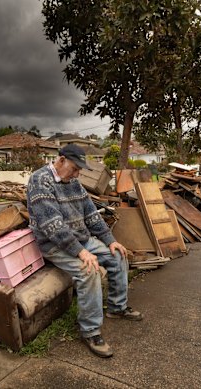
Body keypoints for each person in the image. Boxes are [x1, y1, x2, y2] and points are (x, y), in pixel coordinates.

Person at [26, 143, 142, 358]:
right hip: (54, 244)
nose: (78, 173)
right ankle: (90, 330)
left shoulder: (74, 182)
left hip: (80, 241)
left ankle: (117, 307)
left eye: (80, 169)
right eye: (74, 168)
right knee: (89, 271)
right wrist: (80, 251)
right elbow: (53, 225)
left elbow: (91, 214)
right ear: (60, 161)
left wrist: (109, 240)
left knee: (117, 254)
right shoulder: (40, 181)